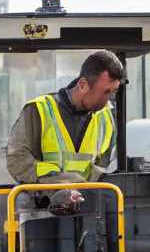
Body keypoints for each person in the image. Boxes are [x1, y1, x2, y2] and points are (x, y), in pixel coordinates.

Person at [7, 50, 124, 185]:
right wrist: (58, 183)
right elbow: (17, 160)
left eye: (113, 91)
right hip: (42, 201)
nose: (109, 98)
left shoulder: (107, 115)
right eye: (106, 91)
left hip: (87, 201)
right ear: (82, 84)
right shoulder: (39, 109)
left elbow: (107, 164)